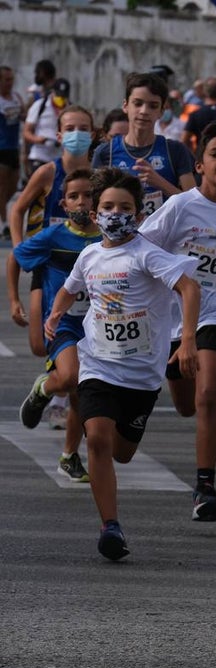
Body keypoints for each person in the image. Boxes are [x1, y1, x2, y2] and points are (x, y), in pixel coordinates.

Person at [43, 167, 201, 560]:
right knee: (96, 436)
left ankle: (112, 488)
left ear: (138, 213)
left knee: (122, 452)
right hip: (98, 363)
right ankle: (110, 526)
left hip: (143, 374)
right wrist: (54, 314)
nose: (117, 214)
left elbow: (189, 286)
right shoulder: (90, 255)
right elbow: (70, 288)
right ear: (95, 214)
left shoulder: (146, 253)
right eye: (109, 207)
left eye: (125, 207)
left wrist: (188, 341)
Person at [138, 120, 216, 522]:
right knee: (188, 404)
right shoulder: (180, 206)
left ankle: (205, 485)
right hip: (170, 318)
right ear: (201, 164)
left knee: (209, 394)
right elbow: (141, 248)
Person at [15, 168, 103, 481]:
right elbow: (18, 255)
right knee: (69, 377)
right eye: (74, 197)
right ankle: (43, 388)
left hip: (100, 327)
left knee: (82, 391)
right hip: (62, 321)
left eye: (88, 195)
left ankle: (68, 455)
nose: (81, 202)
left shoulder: (108, 237)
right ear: (63, 204)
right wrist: (15, 299)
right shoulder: (53, 236)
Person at [7, 104, 95, 377]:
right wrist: (19, 245)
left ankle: (66, 388)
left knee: (77, 333)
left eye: (83, 129)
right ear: (59, 135)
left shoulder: (99, 176)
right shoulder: (47, 172)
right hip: (50, 260)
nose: (77, 134)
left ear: (93, 135)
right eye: (70, 129)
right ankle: (59, 372)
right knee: (38, 343)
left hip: (87, 262)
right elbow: (18, 209)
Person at [93, 72, 197, 217]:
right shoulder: (105, 152)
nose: (144, 111)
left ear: (161, 111)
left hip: (164, 238)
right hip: (121, 237)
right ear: (125, 105)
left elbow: (195, 206)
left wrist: (160, 183)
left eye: (153, 106)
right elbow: (94, 204)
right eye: (138, 103)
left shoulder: (175, 150)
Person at [24, 64, 66, 173]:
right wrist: (37, 139)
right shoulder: (40, 104)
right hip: (40, 156)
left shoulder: (69, 108)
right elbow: (26, 131)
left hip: (58, 157)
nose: (60, 99)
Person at [0, 65, 24, 241]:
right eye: (6, 79)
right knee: (1, 187)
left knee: (14, 186)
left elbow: (23, 115)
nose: (10, 83)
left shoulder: (15, 97)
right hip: (1, 148)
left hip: (13, 147)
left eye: (11, 79)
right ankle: (4, 224)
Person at [181, 77, 216, 152]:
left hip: (202, 157)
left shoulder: (195, 114)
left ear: (204, 92)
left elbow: (184, 140)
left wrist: (192, 156)